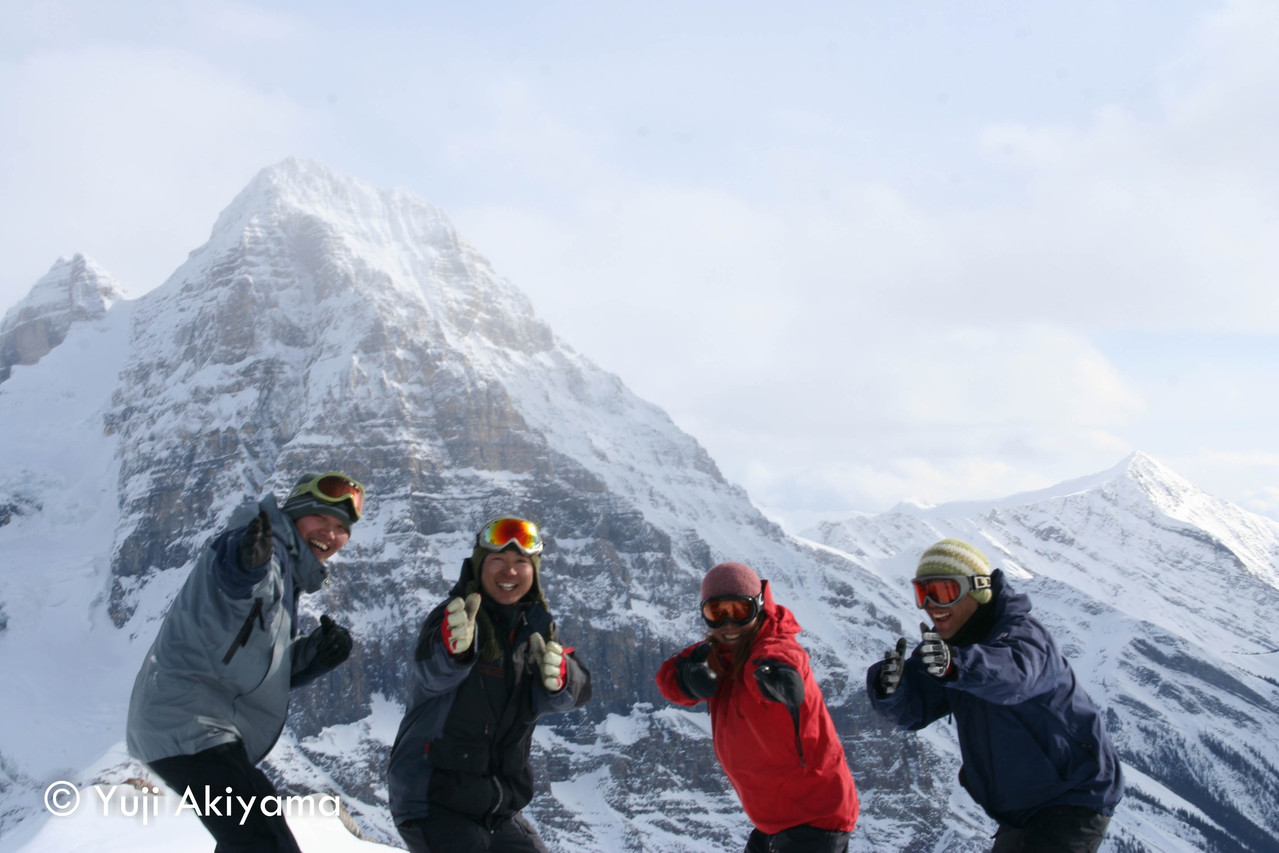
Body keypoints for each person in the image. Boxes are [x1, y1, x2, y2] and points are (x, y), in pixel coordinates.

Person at [127, 471, 365, 853]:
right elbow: (235, 574)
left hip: (204, 728)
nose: (330, 533)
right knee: (265, 842)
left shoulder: (289, 576)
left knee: (252, 839)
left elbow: (266, 667)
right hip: (186, 722)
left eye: (341, 527)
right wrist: (246, 560)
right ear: (295, 513)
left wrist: (318, 655)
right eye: (320, 518)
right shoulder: (260, 548)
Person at [866, 539, 1123, 853]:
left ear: (977, 590)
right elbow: (912, 711)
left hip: (1071, 794)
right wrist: (890, 688)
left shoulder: (1022, 634)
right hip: (1020, 806)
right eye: (923, 593)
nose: (931, 604)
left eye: (944, 591)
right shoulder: (948, 648)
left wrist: (955, 667)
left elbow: (1013, 676)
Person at [387, 515, 592, 853]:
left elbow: (574, 693)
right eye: (498, 559)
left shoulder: (535, 631)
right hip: (434, 803)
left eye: (520, 562)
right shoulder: (453, 617)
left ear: (534, 570)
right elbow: (432, 673)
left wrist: (562, 679)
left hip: (499, 810)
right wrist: (456, 651)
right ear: (480, 566)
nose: (509, 571)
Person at [656, 562, 859, 853]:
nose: (729, 623)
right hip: (772, 820)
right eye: (717, 613)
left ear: (759, 607)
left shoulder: (772, 647)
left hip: (815, 818)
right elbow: (667, 680)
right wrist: (686, 677)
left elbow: (784, 657)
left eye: (740, 611)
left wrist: (776, 676)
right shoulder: (720, 653)